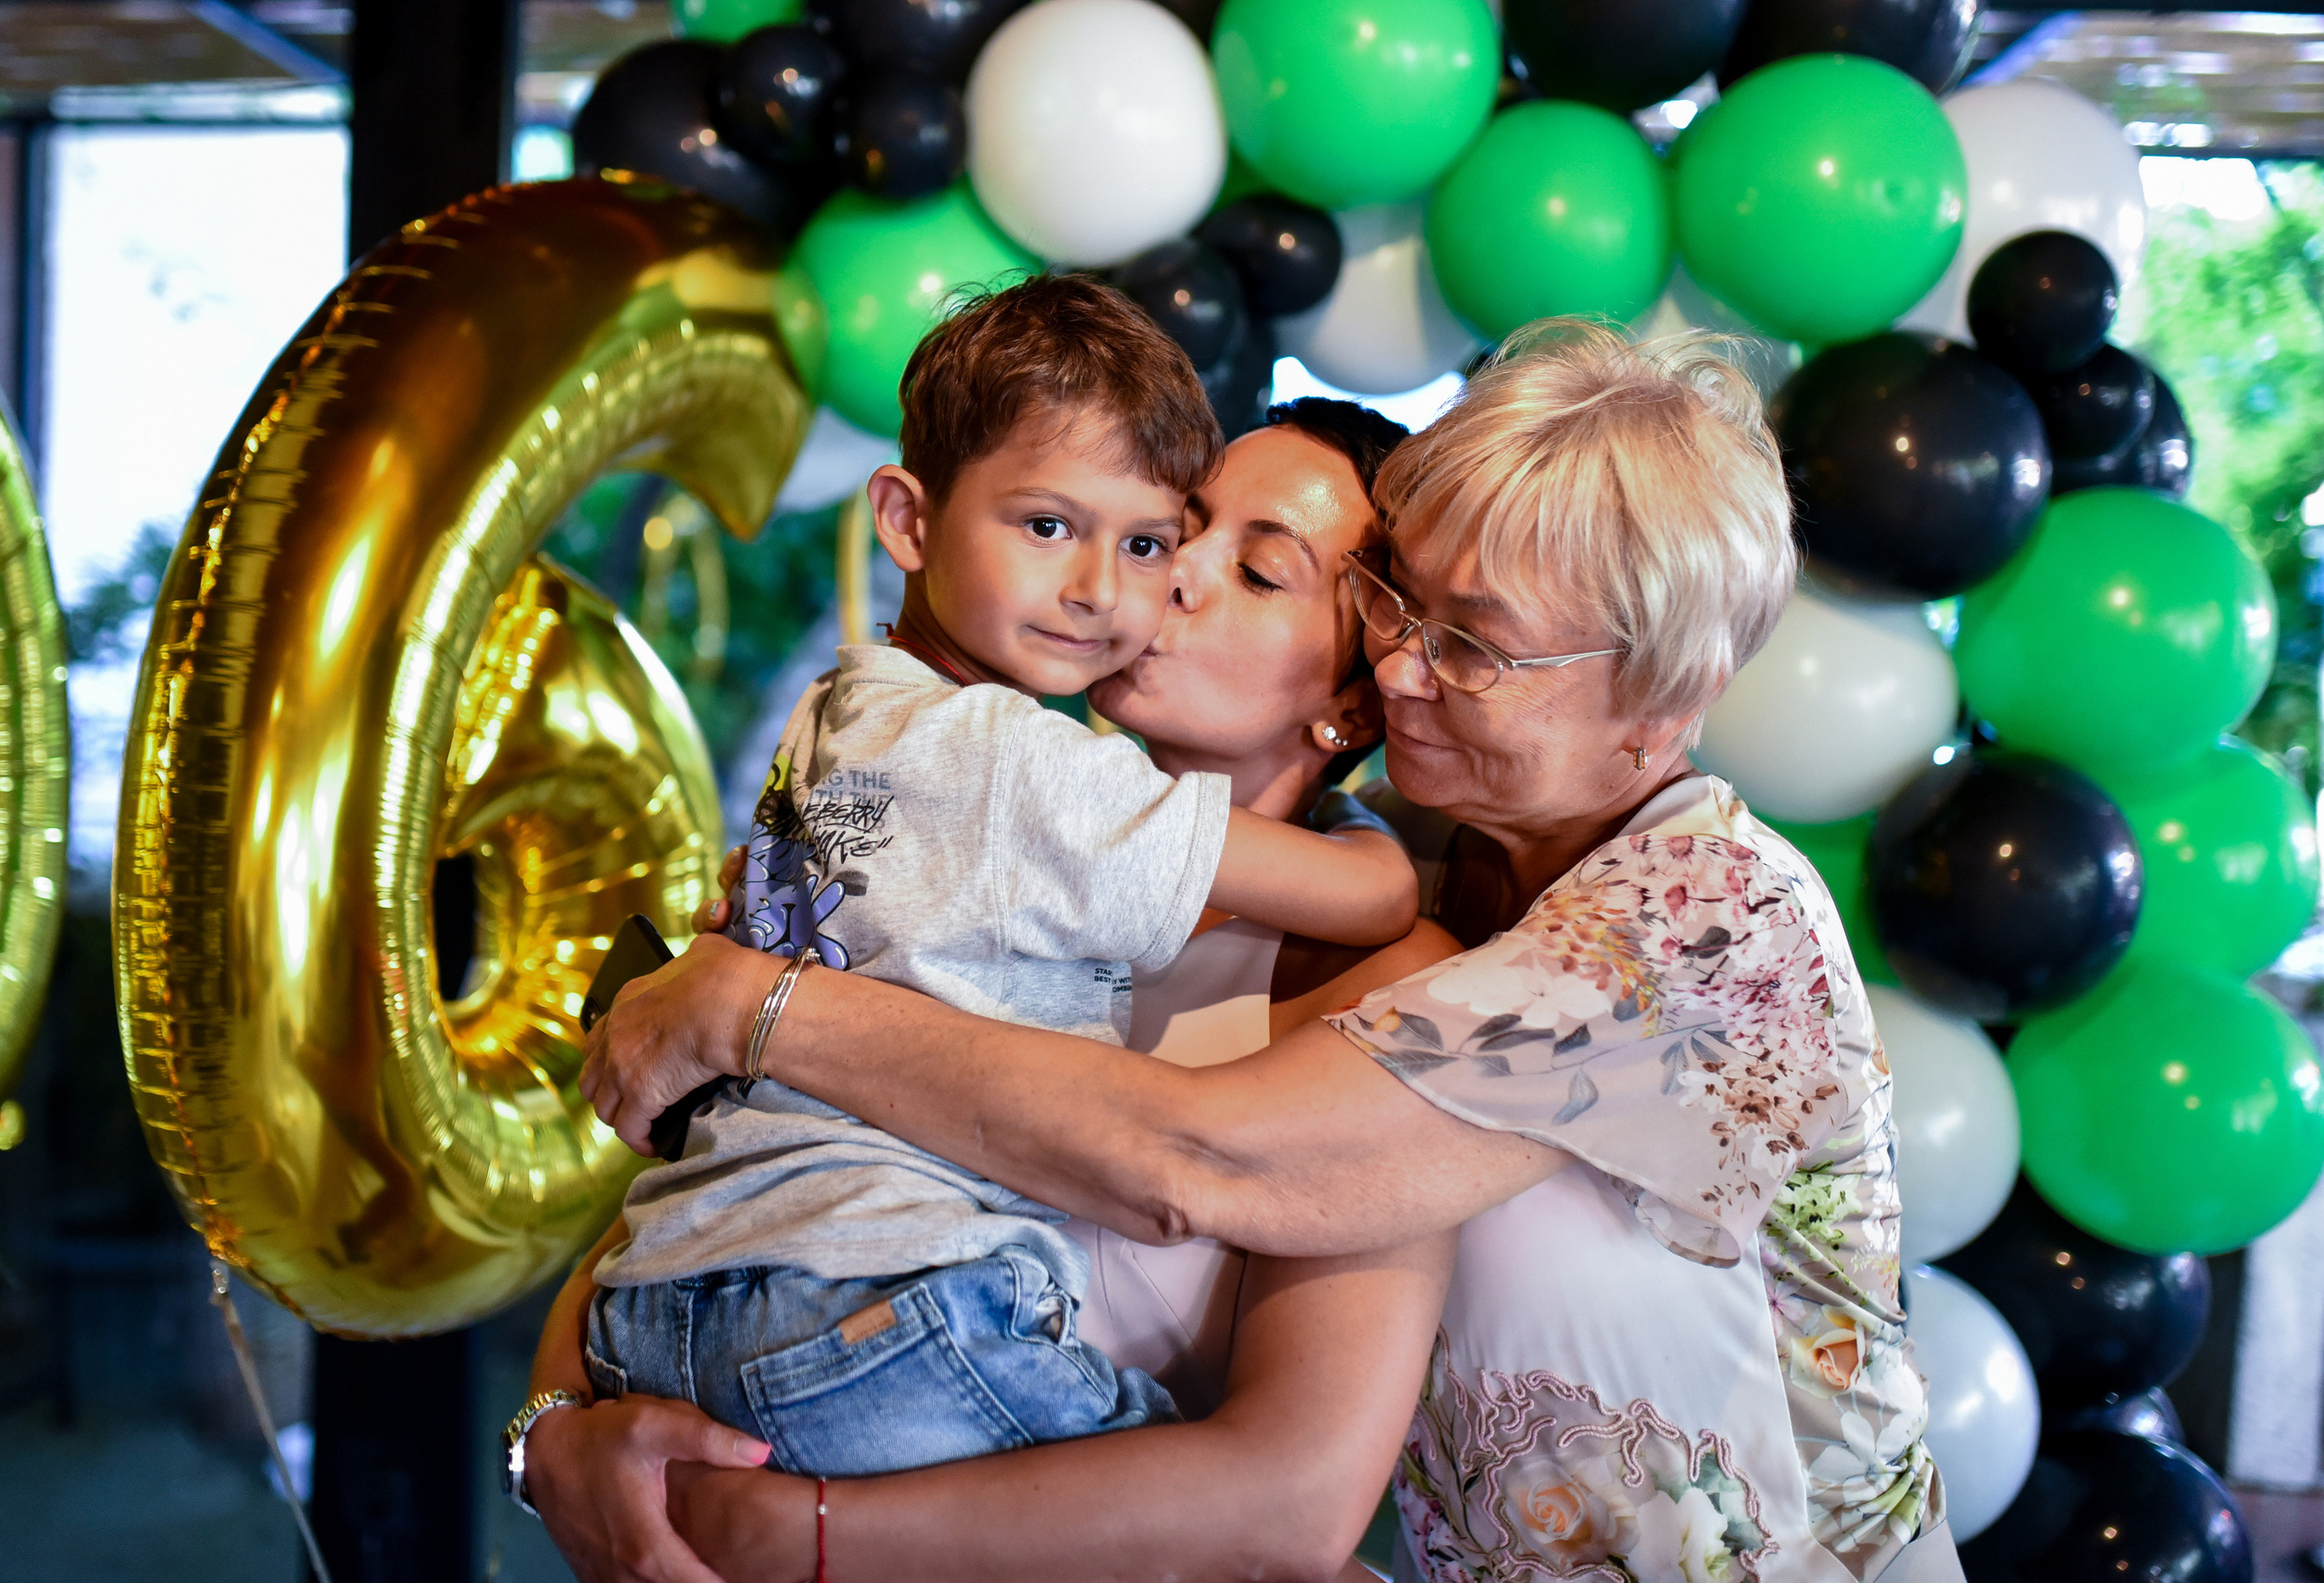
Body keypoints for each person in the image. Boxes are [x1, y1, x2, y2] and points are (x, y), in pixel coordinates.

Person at [572, 322, 1957, 1583]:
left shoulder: (1696, 925)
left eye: (1470, 647)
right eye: (1404, 609)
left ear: (1661, 703)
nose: (1405, 666)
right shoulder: (1392, 876)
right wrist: (550, 1437)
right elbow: (709, 1205)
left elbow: (1202, 1173)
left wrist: (755, 1005)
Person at [525, 395, 1460, 1583]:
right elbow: (701, 1201)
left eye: (1259, 569)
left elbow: (1291, 1498)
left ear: (1352, 699)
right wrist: (552, 1435)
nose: (1172, 576)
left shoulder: (1386, 981)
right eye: (1169, 530)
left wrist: (811, 1532)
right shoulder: (951, 850)